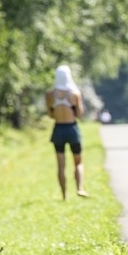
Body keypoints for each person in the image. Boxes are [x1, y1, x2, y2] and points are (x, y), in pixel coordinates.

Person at [46, 65, 88, 200]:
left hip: (58, 129)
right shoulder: (74, 94)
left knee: (60, 165)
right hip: (72, 129)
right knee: (78, 161)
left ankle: (64, 195)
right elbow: (80, 114)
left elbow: (50, 115)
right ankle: (79, 188)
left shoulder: (50, 95)